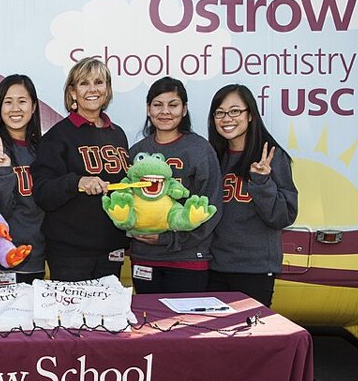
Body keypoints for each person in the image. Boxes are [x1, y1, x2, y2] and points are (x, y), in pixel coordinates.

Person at [31, 57, 130, 282]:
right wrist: (77, 182)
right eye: (84, 83)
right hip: (70, 254)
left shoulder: (118, 134)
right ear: (73, 92)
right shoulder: (58, 136)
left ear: (108, 90)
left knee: (109, 316)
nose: (92, 89)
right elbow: (42, 192)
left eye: (99, 82)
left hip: (112, 250)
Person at [126, 76, 222, 294]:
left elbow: (212, 208)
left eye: (173, 105)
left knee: (185, 325)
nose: (165, 112)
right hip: (145, 258)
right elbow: (128, 201)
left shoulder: (200, 150)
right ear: (148, 109)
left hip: (187, 259)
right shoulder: (137, 152)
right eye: (158, 105)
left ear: (185, 109)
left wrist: (170, 239)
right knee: (148, 323)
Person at [206, 83, 298, 306]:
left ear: (250, 116)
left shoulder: (271, 157)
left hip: (255, 270)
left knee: (249, 338)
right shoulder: (212, 157)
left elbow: (283, 216)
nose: (227, 118)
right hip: (214, 268)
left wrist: (261, 181)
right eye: (220, 113)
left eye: (235, 111)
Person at [0, 73, 45, 287]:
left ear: (33, 107)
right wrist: (3, 173)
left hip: (33, 261)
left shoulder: (42, 151)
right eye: (8, 102)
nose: (15, 108)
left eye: (22, 101)